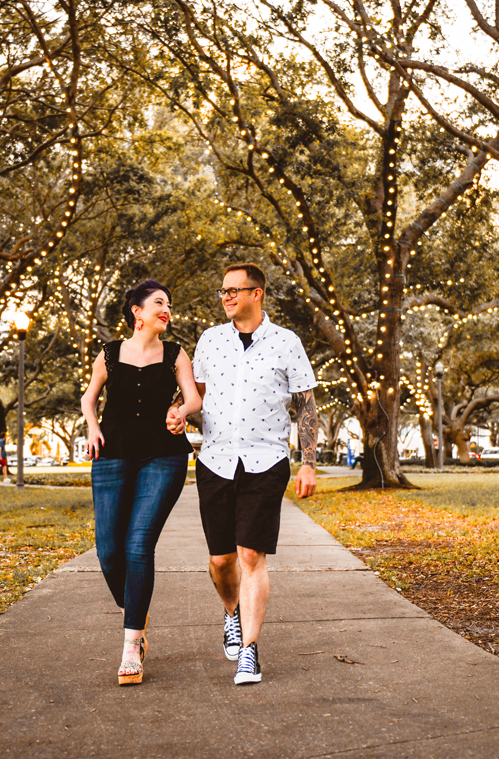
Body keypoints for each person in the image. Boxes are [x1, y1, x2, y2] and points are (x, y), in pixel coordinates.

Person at [169, 262, 318, 686]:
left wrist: (308, 462)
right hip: (215, 461)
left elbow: (306, 406)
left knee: (251, 555)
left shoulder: (286, 343)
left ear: (258, 294)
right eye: (223, 291)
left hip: (266, 461)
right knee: (221, 561)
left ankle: (249, 651)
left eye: (236, 290)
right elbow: (192, 396)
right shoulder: (210, 341)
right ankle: (231, 612)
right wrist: (179, 413)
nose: (227, 297)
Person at [81, 279, 201, 686]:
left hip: (162, 457)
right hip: (111, 455)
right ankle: (135, 607)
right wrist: (92, 427)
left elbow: (194, 398)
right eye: (158, 303)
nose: (166, 310)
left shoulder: (175, 353)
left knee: (137, 545)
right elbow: (89, 397)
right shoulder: (110, 353)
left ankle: (132, 644)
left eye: (169, 304)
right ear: (136, 311)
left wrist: (180, 410)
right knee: (108, 550)